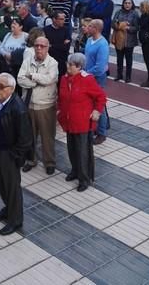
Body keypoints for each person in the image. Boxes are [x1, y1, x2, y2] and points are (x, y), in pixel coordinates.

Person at [0, 73, 33, 236]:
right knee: (2, 183)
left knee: (12, 187)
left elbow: (26, 138)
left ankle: (15, 220)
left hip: (9, 154)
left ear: (12, 89)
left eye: (1, 87)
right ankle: (8, 209)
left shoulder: (17, 109)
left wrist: (15, 156)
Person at [58, 53, 106, 192]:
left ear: (79, 67)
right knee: (71, 149)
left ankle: (84, 178)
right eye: (68, 63)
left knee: (82, 152)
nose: (67, 66)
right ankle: (75, 170)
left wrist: (97, 111)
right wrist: (59, 111)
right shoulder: (64, 79)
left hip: (82, 123)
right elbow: (61, 98)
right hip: (68, 121)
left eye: (70, 65)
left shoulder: (87, 80)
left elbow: (101, 97)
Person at [17, 37, 59, 174]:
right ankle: (31, 159)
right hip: (29, 104)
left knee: (47, 136)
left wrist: (32, 76)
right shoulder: (28, 60)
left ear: (48, 47)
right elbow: (20, 79)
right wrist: (35, 83)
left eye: (42, 46)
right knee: (30, 136)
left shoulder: (53, 63)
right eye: (37, 46)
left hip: (46, 105)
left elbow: (49, 79)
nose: (39, 48)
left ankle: (49, 162)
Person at [85, 19, 110, 144]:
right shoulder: (89, 40)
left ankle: (102, 132)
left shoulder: (103, 44)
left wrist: (87, 73)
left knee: (100, 105)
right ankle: (94, 127)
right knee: (90, 103)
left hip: (97, 78)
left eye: (90, 26)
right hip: (88, 76)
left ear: (96, 29)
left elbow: (100, 67)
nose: (87, 28)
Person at [111, 0, 139, 83]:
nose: (127, 5)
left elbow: (137, 27)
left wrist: (128, 28)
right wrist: (121, 25)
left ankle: (128, 76)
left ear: (132, 4)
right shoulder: (118, 12)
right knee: (119, 58)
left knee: (128, 59)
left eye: (129, 3)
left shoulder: (135, 14)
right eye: (126, 3)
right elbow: (113, 24)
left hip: (129, 40)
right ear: (123, 4)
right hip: (119, 39)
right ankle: (119, 74)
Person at [44, 11, 71, 77]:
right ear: (54, 19)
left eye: (64, 19)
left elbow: (66, 47)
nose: (63, 21)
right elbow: (45, 47)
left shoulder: (66, 30)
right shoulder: (46, 30)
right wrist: (61, 45)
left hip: (61, 62)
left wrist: (52, 46)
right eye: (61, 19)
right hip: (49, 62)